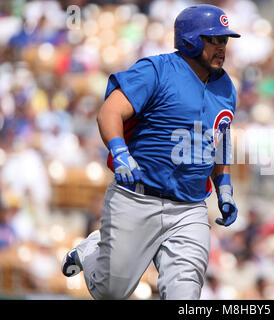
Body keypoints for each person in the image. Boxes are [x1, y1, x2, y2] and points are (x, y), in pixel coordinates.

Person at [61, 4, 240, 300]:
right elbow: (110, 111)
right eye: (214, 39)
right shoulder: (156, 70)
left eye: (225, 40)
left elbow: (220, 138)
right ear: (191, 40)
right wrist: (119, 151)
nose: (222, 47)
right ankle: (92, 248)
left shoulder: (226, 87)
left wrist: (225, 188)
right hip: (138, 196)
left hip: (190, 208)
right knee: (111, 291)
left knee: (185, 296)